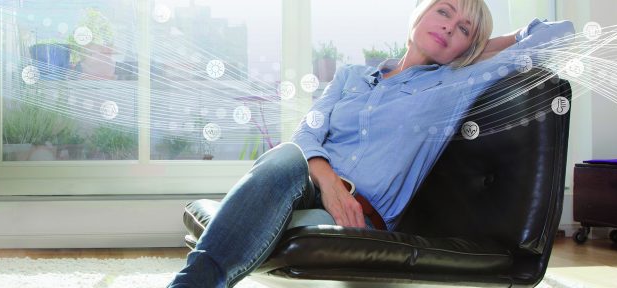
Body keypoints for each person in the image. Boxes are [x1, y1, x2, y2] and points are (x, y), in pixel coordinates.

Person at [167, 0, 575, 287]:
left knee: (281, 170)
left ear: (471, 45)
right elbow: (307, 133)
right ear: (420, 12)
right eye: (444, 11)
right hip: (307, 184)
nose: (450, 25)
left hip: (361, 211)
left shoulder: (457, 83)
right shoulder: (351, 76)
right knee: (285, 156)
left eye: (464, 28)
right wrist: (327, 183)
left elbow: (559, 34)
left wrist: (471, 51)